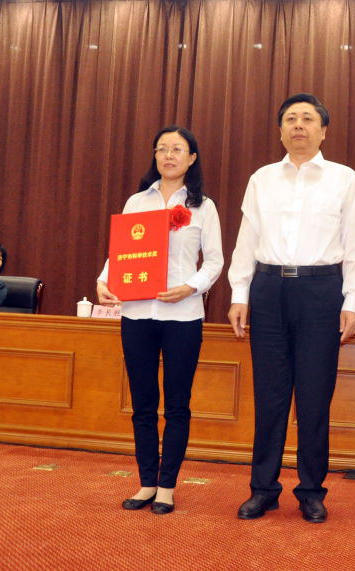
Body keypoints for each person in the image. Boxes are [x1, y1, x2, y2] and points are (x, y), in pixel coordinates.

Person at [227, 93, 355, 524]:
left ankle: (311, 491)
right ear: (281, 131)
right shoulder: (262, 179)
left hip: (321, 292)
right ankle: (263, 489)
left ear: (324, 130)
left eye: (308, 119)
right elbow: (247, 238)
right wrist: (239, 293)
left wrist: (353, 300)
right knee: (269, 396)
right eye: (291, 119)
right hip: (269, 289)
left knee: (313, 397)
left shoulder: (345, 179)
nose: (299, 125)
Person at [96, 126, 223, 515]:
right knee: (143, 405)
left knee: (177, 405)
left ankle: (167, 486)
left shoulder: (204, 206)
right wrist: (104, 280)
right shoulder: (137, 201)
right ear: (154, 155)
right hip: (137, 314)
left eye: (177, 149)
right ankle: (147, 482)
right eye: (162, 149)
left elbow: (215, 261)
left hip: (183, 315)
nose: (169, 155)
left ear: (191, 158)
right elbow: (121, 252)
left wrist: (190, 287)